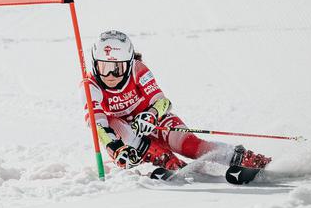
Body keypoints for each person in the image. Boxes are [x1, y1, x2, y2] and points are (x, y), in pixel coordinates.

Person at [79, 30, 271, 184]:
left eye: (118, 68)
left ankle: (244, 159)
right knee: (111, 122)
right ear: (95, 65)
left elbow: (163, 102)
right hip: (128, 139)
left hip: (154, 123)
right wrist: (116, 147)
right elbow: (97, 123)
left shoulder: (138, 70)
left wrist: (151, 116)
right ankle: (167, 162)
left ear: (129, 64)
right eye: (104, 68)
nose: (111, 74)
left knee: (190, 145)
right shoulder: (89, 85)